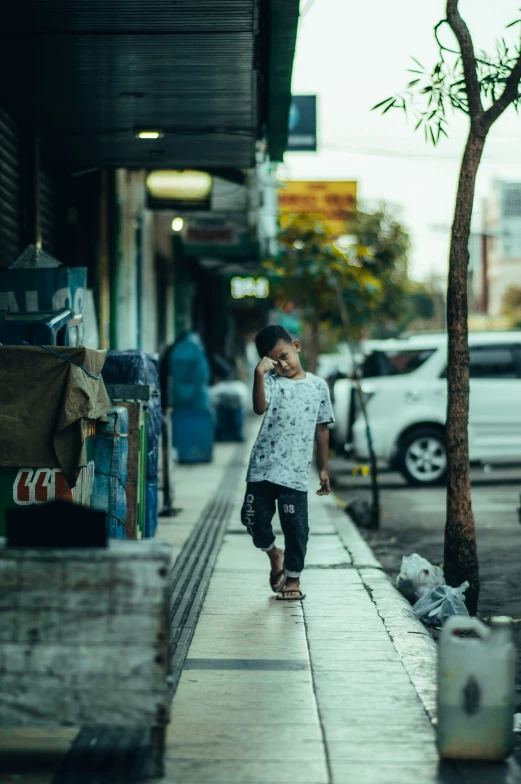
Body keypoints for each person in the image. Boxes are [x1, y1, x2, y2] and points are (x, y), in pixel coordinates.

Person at [241, 325, 335, 601]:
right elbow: (259, 408)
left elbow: (322, 428)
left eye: (285, 356)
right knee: (252, 520)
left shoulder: (318, 386)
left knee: (296, 529)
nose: (283, 365)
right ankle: (274, 554)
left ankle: (292, 578)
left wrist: (325, 469)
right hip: (262, 469)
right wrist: (259, 375)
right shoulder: (271, 383)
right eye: (275, 361)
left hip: (294, 474)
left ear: (296, 346)